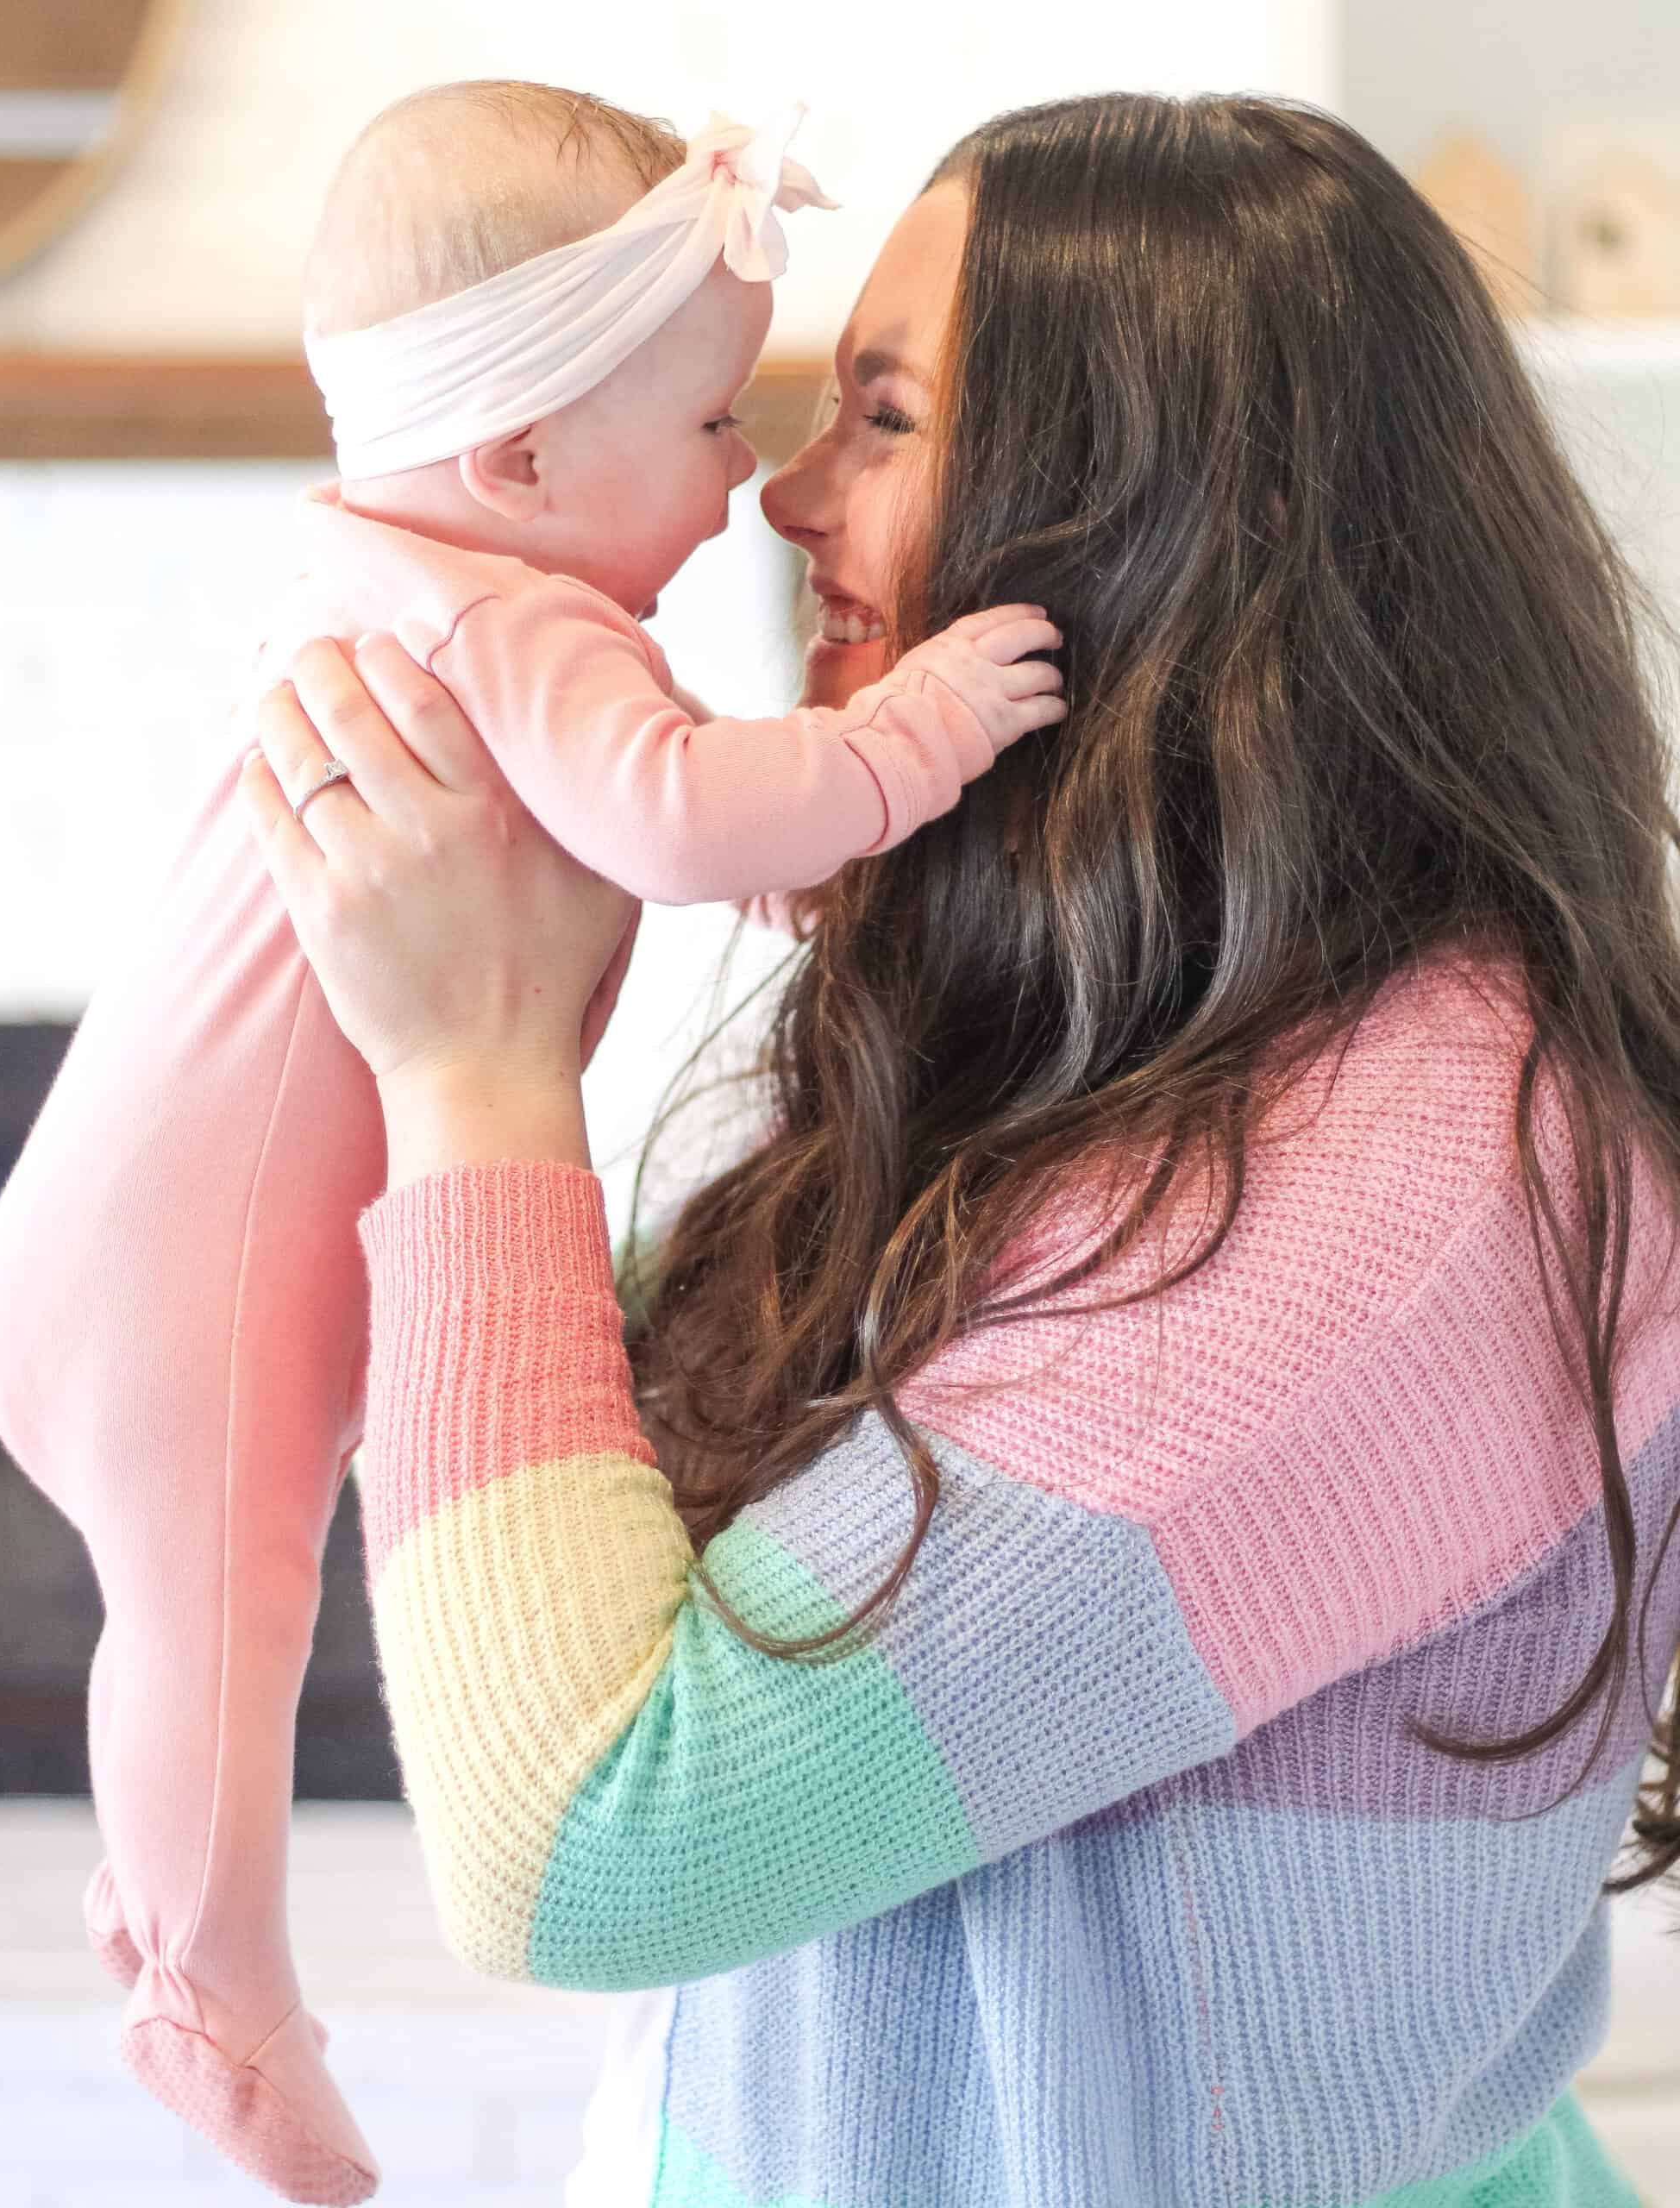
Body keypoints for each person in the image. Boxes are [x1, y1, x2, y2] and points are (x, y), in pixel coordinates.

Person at [237, 89, 1680, 2208]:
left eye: (887, 419)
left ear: (1157, 517)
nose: (784, 502)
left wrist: (476, 1068)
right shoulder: (1095, 1037)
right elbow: (576, 1585)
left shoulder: (1424, 1182)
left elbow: (584, 1842)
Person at [0, 79, 1065, 2207]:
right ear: (525, 462)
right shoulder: (520, 624)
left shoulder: (394, 582)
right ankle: (215, 1987)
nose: (749, 489)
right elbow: (669, 812)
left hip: (112, 1241)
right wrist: (908, 736)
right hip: (177, 1293)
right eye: (717, 426)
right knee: (224, 1614)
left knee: (187, 1629)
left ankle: (164, 1877)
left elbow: (633, 832)